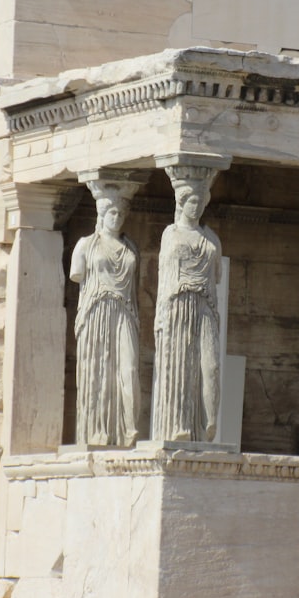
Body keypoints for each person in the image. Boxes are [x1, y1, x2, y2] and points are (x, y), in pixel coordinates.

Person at [150, 176, 222, 442]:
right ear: (182, 202)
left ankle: (209, 422)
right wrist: (161, 315)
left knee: (210, 365)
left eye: (201, 202)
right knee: (181, 365)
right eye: (192, 201)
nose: (197, 207)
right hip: (178, 303)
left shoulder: (211, 238)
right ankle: (180, 425)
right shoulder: (171, 234)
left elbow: (217, 276)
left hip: (205, 304)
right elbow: (164, 274)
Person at [70, 192, 141, 447]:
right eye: (113, 212)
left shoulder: (130, 248)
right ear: (101, 215)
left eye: (122, 214)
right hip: (97, 311)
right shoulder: (85, 245)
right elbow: (77, 273)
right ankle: (98, 433)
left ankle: (128, 430)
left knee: (129, 368)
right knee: (99, 370)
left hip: (124, 311)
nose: (118, 217)